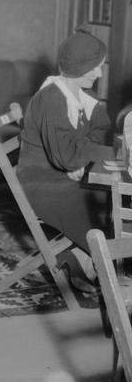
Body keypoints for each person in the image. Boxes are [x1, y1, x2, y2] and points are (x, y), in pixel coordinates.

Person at [17, 28, 114, 289]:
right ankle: (105, 265)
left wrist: (80, 159)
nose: (99, 74)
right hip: (41, 184)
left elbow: (101, 130)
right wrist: (79, 160)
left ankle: (82, 257)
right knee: (102, 202)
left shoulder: (80, 96)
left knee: (112, 197)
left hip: (59, 173)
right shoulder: (52, 99)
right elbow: (67, 157)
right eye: (94, 68)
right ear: (76, 68)